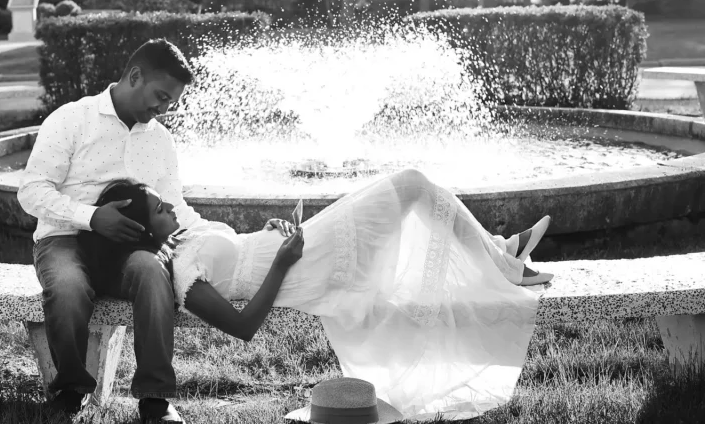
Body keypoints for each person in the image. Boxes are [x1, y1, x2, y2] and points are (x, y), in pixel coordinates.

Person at [96, 171, 554, 422]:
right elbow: (243, 328)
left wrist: (270, 231)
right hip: (308, 265)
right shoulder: (179, 271)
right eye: (159, 207)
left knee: (414, 186)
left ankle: (499, 252)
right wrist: (281, 260)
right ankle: (504, 259)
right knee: (412, 184)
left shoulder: (186, 237)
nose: (171, 206)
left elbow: (240, 255)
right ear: (139, 227)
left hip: (304, 246)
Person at [18, 38, 288, 424]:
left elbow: (177, 210)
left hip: (132, 247)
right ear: (134, 76)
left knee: (153, 273)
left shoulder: (160, 139)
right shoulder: (71, 119)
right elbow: (31, 191)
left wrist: (251, 237)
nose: (163, 109)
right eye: (160, 96)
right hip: (65, 238)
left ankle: (155, 399)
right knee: (67, 286)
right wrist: (93, 217)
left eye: (171, 103)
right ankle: (70, 392)